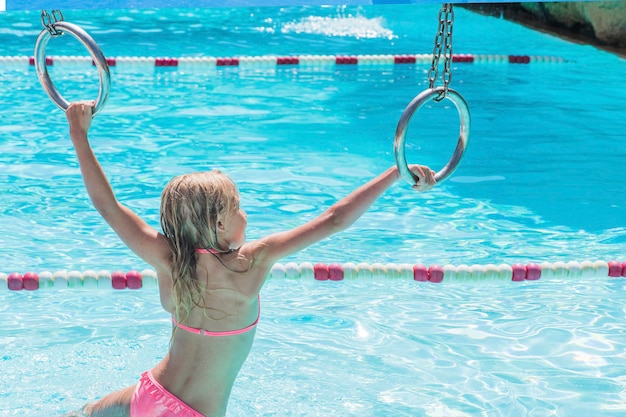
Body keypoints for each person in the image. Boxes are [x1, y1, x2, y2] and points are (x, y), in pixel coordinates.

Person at [65, 101, 436, 417]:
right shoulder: (252, 262)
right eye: (239, 207)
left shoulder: (169, 258)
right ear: (222, 222)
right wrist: (394, 174)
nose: (246, 215)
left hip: (148, 396)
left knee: (87, 413)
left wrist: (79, 134)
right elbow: (334, 219)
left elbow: (108, 207)